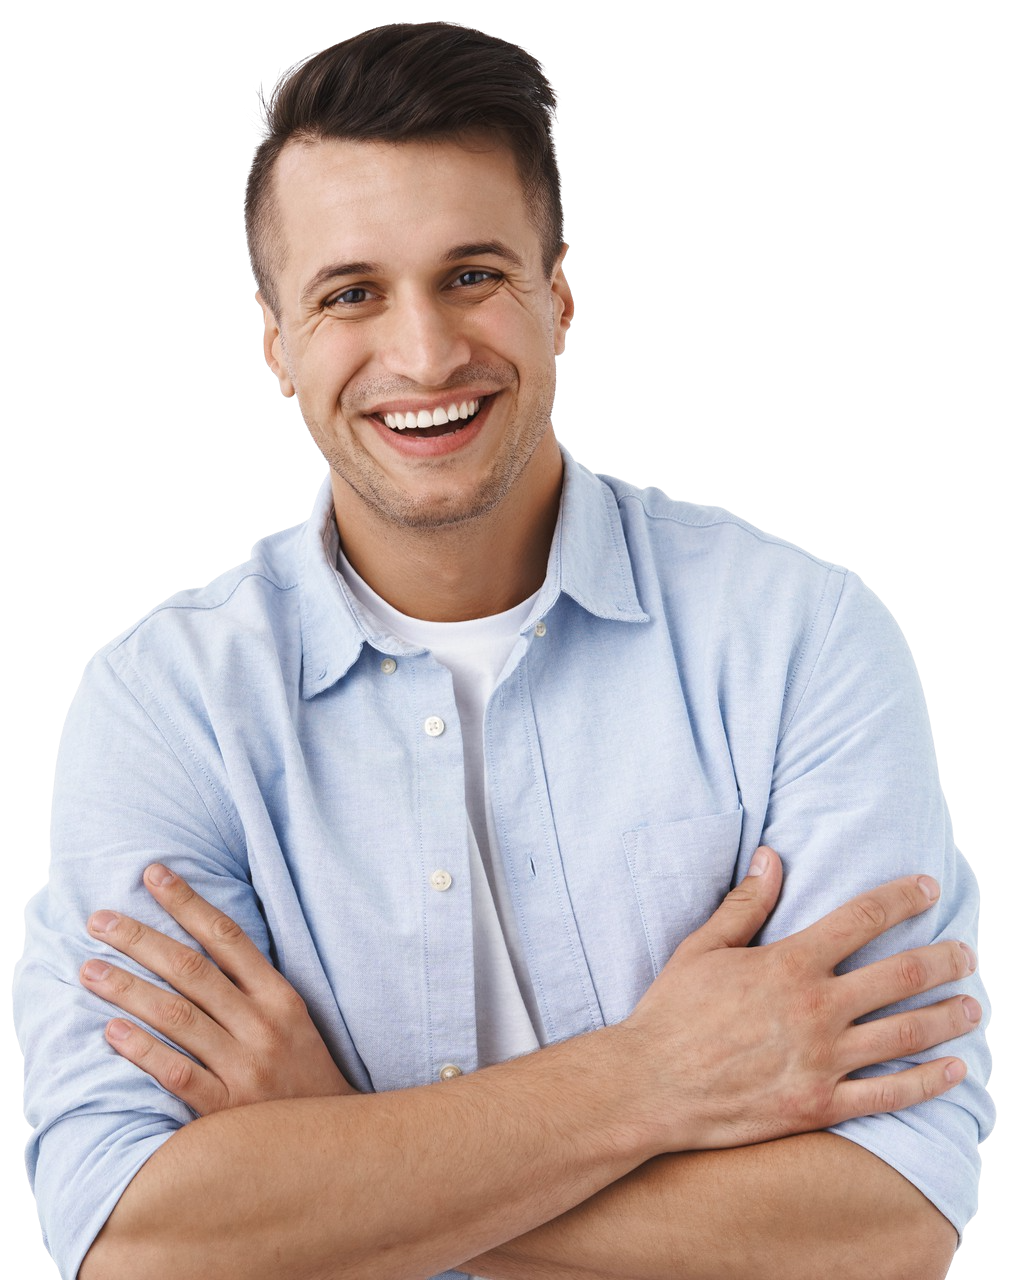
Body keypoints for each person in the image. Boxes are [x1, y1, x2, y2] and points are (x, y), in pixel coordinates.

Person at [14, 20, 993, 1280]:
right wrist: (656, 1076)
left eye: (472, 274)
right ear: (275, 340)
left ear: (560, 297)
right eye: (350, 292)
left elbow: (888, 1219)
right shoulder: (160, 702)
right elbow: (135, 1237)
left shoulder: (803, 638)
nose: (423, 354)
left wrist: (333, 1153)